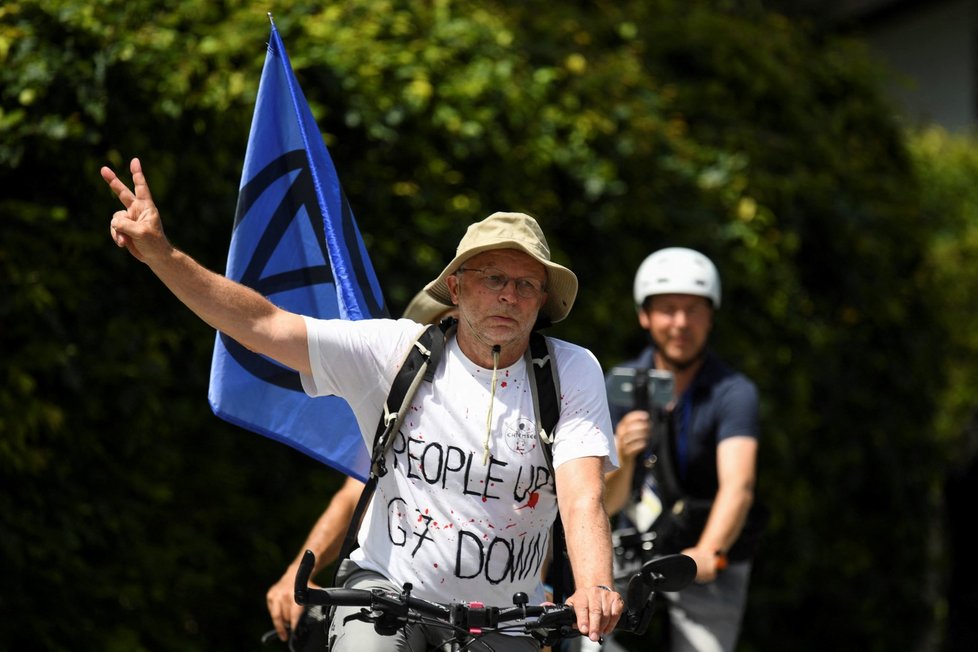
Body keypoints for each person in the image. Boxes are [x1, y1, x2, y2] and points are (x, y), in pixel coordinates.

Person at [101, 158, 623, 651]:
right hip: (386, 592)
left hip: (506, 613)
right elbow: (263, 325)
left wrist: (595, 585)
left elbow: (581, 497)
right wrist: (162, 256)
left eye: (527, 284)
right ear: (456, 288)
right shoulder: (395, 352)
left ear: (543, 300)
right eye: (493, 278)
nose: (510, 295)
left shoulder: (570, 371)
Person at [265, 291, 457, 646]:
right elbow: (353, 494)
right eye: (443, 327)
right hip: (396, 593)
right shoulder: (403, 405)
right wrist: (298, 570)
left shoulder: (526, 397)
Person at [595, 247, 762, 652]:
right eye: (668, 309)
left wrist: (707, 553)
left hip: (705, 553)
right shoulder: (617, 384)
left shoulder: (733, 392)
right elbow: (604, 503)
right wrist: (623, 455)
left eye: (694, 310)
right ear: (645, 315)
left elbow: (738, 486)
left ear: (711, 315)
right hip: (628, 551)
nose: (681, 323)